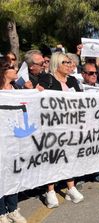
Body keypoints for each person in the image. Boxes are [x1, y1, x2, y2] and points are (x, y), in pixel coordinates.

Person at [38, 52, 83, 208]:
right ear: (57, 64)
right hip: (53, 128)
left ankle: (71, 187)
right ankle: (50, 190)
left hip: (72, 127)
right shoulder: (46, 79)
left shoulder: (73, 80)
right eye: (66, 62)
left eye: (71, 63)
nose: (70, 65)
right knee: (53, 158)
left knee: (69, 156)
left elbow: (83, 100)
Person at [0, 58, 27, 223]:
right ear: (4, 71)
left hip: (14, 141)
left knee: (12, 174)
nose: (16, 69)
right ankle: (1, 212)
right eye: (12, 67)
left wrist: (35, 93)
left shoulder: (18, 89)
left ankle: (13, 209)